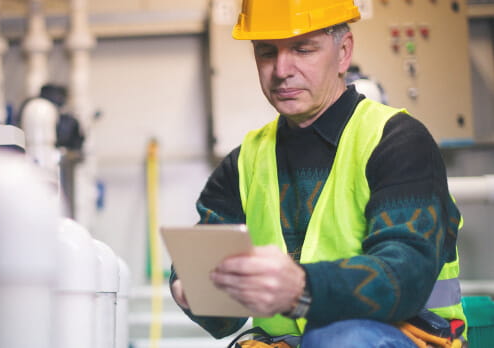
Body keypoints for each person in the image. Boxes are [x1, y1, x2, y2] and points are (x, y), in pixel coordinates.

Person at [169, 1, 466, 347]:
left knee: (340, 339)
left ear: (343, 52)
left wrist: (300, 289)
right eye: (266, 52)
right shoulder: (244, 162)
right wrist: (193, 289)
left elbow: (405, 275)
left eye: (302, 49)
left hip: (401, 338)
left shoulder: (397, 143)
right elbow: (224, 318)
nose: (281, 70)